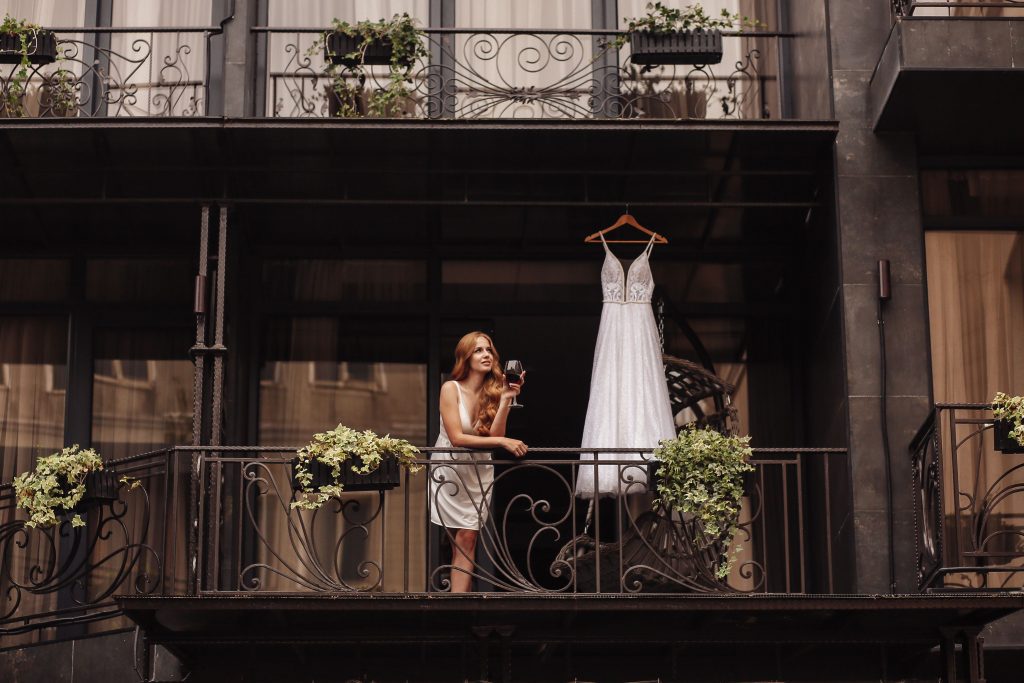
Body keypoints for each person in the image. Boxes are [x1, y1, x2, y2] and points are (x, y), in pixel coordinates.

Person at [429, 331, 526, 592]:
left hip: (479, 469)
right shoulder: (451, 388)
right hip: (450, 470)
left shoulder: (492, 392)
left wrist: (506, 398)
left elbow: (495, 434)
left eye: (489, 350)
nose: (486, 355)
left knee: (469, 537)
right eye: (478, 350)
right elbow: (457, 437)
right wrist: (503, 443)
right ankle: (457, 599)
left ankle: (458, 601)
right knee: (458, 539)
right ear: (465, 356)